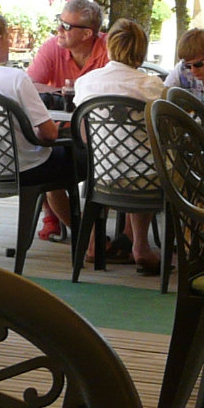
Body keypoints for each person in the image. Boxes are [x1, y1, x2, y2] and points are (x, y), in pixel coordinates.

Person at [0, 9, 77, 241]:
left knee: (56, 158)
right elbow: (50, 135)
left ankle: (63, 225)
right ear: (0, 40)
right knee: (76, 159)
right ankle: (87, 234)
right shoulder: (15, 77)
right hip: (22, 170)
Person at [70, 18, 165, 275]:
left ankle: (92, 244)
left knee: (126, 159)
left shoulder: (86, 82)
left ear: (109, 47)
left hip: (101, 175)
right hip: (145, 179)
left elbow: (83, 134)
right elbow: (164, 134)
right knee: (151, 161)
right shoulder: (152, 85)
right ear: (141, 52)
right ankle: (142, 246)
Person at [25, 0, 106, 237]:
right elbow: (31, 83)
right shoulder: (53, 47)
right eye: (59, 22)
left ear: (87, 34)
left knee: (110, 161)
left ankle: (107, 234)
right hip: (60, 129)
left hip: (99, 131)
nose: (59, 30)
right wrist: (57, 91)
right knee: (44, 154)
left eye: (66, 26)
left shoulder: (108, 49)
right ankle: (80, 232)